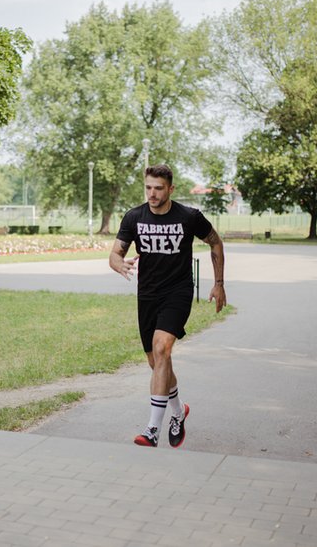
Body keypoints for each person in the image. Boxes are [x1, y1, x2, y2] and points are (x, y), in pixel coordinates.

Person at [109, 164, 226, 448]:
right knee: (156, 361)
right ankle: (178, 411)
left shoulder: (189, 217)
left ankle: (152, 429)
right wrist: (118, 264)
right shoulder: (134, 217)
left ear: (171, 189)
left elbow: (215, 242)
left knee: (162, 348)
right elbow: (115, 253)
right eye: (148, 187)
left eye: (158, 188)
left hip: (178, 291)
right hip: (147, 295)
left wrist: (219, 283)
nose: (152, 193)